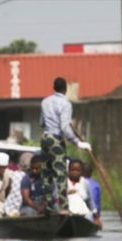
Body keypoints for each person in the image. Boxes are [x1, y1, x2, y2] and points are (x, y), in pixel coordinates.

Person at [40, 77, 91, 214]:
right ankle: (63, 208)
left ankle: (49, 207)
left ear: (53, 87)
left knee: (46, 174)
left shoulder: (45, 102)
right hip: (56, 139)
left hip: (45, 138)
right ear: (66, 89)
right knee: (60, 174)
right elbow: (64, 126)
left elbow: (42, 123)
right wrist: (77, 142)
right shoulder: (65, 103)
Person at [83, 162, 102, 227]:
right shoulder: (96, 185)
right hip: (92, 215)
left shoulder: (80, 183)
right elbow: (98, 205)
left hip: (90, 214)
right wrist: (98, 217)